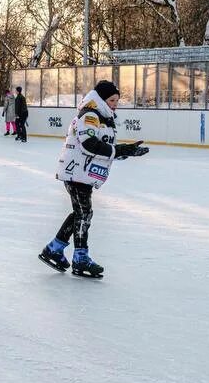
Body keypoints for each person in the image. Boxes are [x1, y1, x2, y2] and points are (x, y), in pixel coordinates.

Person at [39, 80, 149, 278]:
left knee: (81, 213)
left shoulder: (103, 117)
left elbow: (104, 146)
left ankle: (54, 248)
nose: (115, 103)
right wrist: (119, 150)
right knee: (84, 214)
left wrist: (126, 151)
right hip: (76, 172)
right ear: (101, 99)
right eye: (112, 99)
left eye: (117, 100)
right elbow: (89, 144)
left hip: (84, 172)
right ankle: (80, 258)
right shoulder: (90, 115)